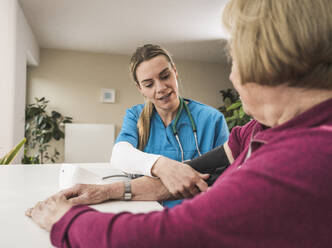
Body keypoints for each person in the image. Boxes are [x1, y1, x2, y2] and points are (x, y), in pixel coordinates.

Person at [26, 0, 332, 247]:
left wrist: (65, 220)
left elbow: (172, 233)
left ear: (265, 62)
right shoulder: (259, 129)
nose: (231, 75)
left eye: (235, 59)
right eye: (148, 83)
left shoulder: (304, 158)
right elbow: (188, 172)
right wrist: (109, 191)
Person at [110, 44, 229, 207]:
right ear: (140, 89)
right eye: (149, 84)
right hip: (147, 213)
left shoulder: (211, 119)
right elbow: (119, 154)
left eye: (165, 76)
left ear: (175, 71)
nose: (160, 88)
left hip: (196, 215)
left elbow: (227, 179)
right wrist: (161, 165)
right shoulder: (135, 116)